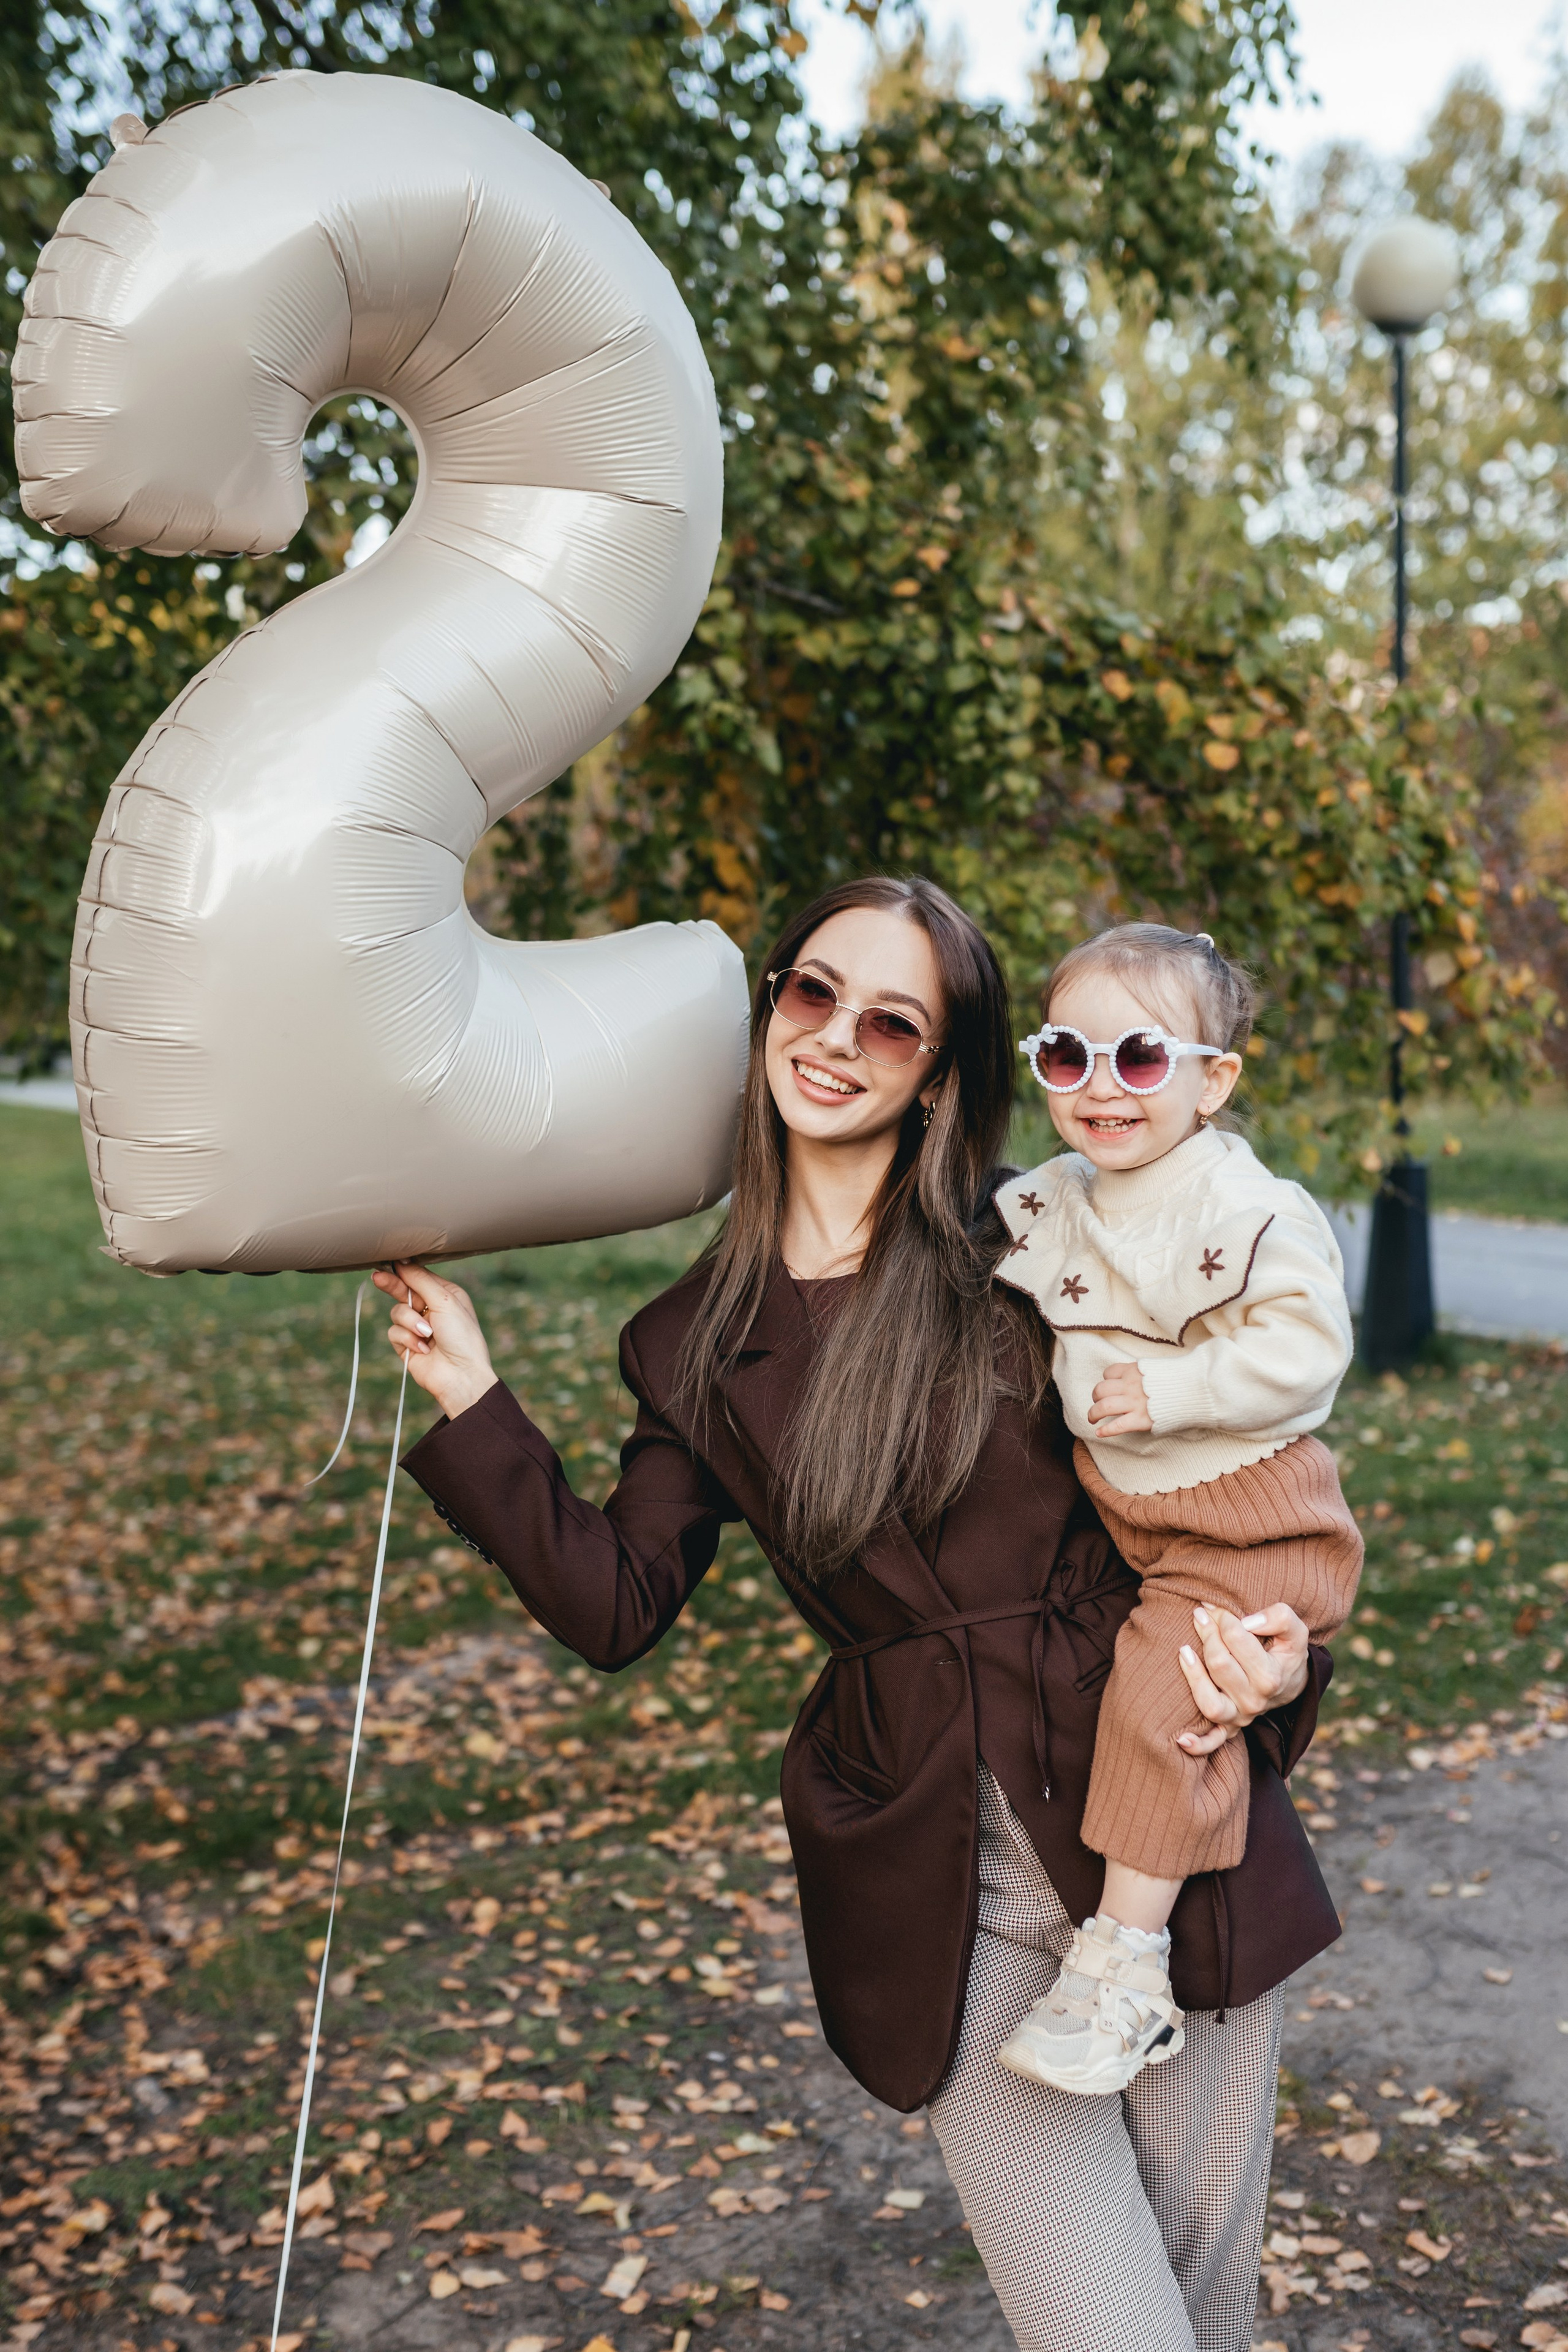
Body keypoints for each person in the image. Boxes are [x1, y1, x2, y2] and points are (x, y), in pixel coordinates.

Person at [374, 876, 1341, 2352]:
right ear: (771, 1005)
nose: (835, 1038)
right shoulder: (692, 1340)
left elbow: (1231, 1485)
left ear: (937, 1069)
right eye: (811, 992)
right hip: (934, 1873)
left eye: (892, 1021)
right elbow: (615, 1601)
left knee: (1200, 2306)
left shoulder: (1034, 1253)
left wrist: (1280, 1660)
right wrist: (471, 1399)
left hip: (1158, 1811)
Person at [989, 924, 1362, 2105]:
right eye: (1067, 1057)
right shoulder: (1060, 1197)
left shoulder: (1241, 1203)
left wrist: (1177, 1390)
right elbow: (970, 1240)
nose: (1101, 1087)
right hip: (1146, 1517)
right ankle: (1127, 1956)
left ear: (1215, 1080)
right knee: (1148, 1670)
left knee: (1168, 1695)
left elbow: (1308, 1345)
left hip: (1250, 1521)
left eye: (1140, 1059)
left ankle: (1127, 1967)